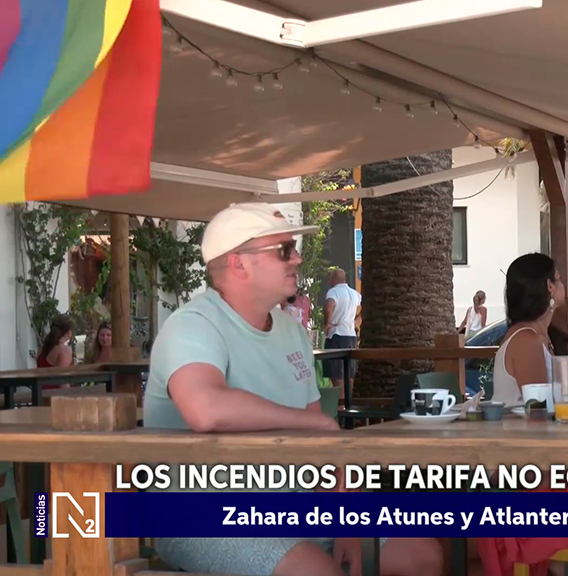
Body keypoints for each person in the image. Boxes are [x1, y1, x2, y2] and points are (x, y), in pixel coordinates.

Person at [142, 202, 443, 576]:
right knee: (317, 571)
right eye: (284, 250)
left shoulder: (290, 331)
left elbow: (319, 447)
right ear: (238, 263)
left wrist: (346, 514)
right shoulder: (192, 325)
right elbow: (206, 410)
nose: (297, 258)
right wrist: (311, 422)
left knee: (423, 556)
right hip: (199, 514)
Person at [491, 253, 568, 405]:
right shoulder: (525, 340)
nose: (563, 285)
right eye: (559, 279)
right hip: (519, 421)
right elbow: (539, 406)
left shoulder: (548, 335)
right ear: (550, 286)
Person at [322, 268, 362, 397]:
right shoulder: (354, 293)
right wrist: (357, 320)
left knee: (336, 373)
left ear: (333, 279)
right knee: (349, 373)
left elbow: (329, 307)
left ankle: (340, 404)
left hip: (336, 334)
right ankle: (349, 402)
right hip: (350, 336)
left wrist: (327, 323)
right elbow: (365, 305)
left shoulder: (333, 292)